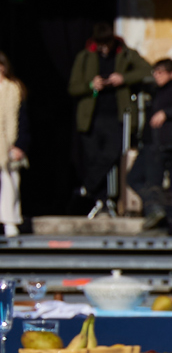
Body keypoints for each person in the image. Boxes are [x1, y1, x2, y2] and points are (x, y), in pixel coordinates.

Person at [66, 24, 151, 216]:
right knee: (93, 158)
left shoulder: (126, 54)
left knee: (113, 153)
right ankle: (102, 200)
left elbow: (148, 71)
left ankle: (87, 187)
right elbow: (73, 88)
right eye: (101, 45)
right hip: (91, 118)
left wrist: (124, 78)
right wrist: (91, 85)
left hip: (117, 116)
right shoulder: (85, 57)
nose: (104, 49)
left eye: (107, 45)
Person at [126, 57, 172, 231]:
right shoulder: (158, 91)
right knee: (133, 178)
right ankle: (157, 210)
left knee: (153, 182)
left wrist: (166, 113)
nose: (156, 76)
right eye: (155, 72)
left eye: (160, 72)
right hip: (150, 143)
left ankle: (158, 214)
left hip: (161, 144)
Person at [0, 49, 25, 235]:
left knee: (10, 178)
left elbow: (22, 121)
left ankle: (10, 221)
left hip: (9, 143)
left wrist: (20, 146)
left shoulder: (14, 90)